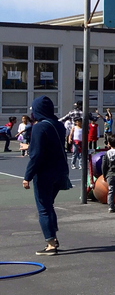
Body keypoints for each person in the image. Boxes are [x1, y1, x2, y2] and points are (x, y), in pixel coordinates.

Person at [22, 96, 70, 255]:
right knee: (49, 205)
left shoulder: (39, 127)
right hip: (60, 170)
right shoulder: (59, 125)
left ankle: (50, 242)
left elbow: (37, 155)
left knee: (43, 207)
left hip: (45, 172)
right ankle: (53, 236)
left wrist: (27, 176)